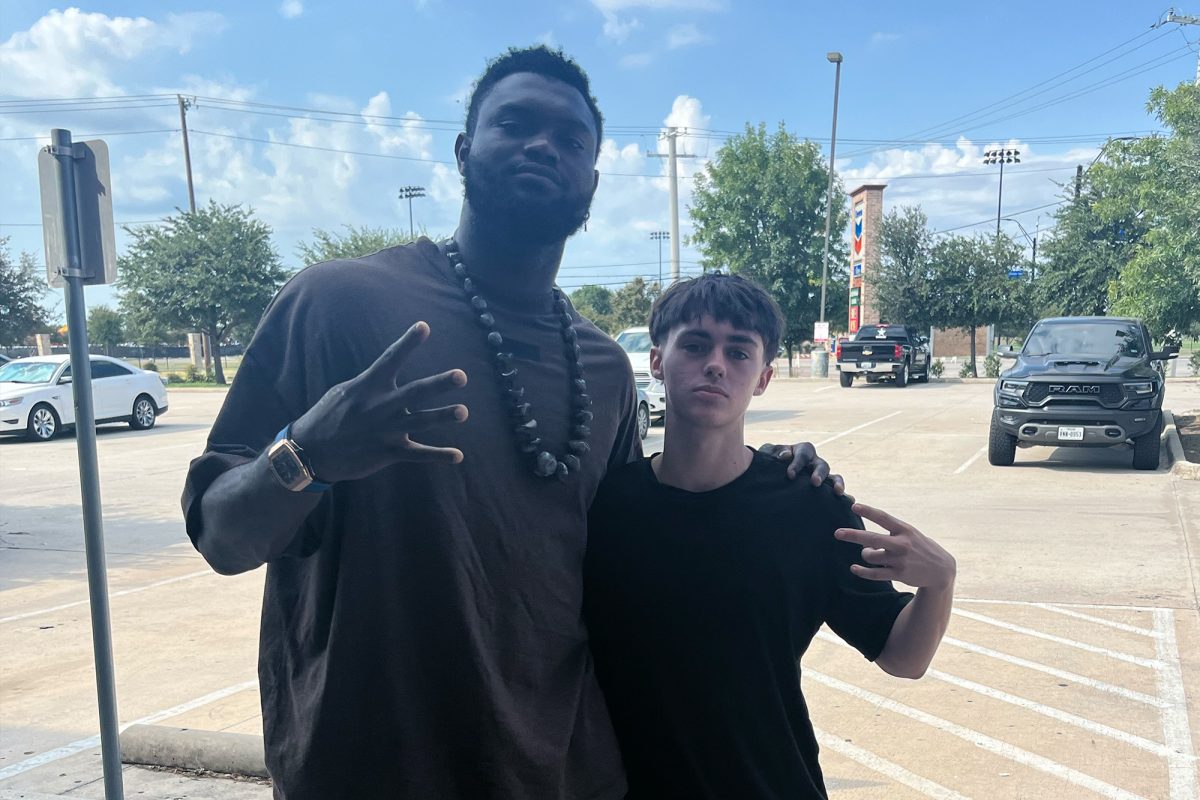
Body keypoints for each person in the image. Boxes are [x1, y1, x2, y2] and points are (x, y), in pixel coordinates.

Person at [181, 46, 841, 800]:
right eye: (515, 123)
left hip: (564, 775)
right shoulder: (336, 305)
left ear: (591, 180)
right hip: (371, 768)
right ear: (464, 150)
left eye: (570, 139)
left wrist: (775, 476)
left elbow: (648, 541)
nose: (541, 145)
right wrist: (306, 455)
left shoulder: (601, 368)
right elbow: (220, 536)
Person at [584, 274, 957, 800]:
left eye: (739, 352)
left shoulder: (808, 505)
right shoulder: (606, 509)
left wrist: (939, 584)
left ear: (763, 377)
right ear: (657, 362)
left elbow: (903, 656)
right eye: (694, 344)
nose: (716, 363)